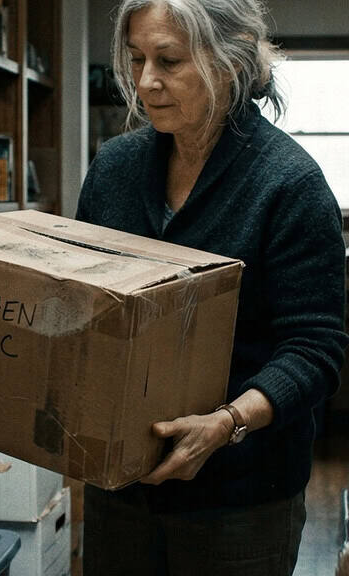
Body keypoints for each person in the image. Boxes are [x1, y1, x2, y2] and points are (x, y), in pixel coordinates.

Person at [76, 1, 348, 574]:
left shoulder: (289, 185)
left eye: (169, 61)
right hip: (120, 485)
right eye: (137, 60)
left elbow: (315, 348)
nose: (147, 81)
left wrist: (226, 425)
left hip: (241, 502)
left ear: (231, 61)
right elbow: (87, 307)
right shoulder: (114, 170)